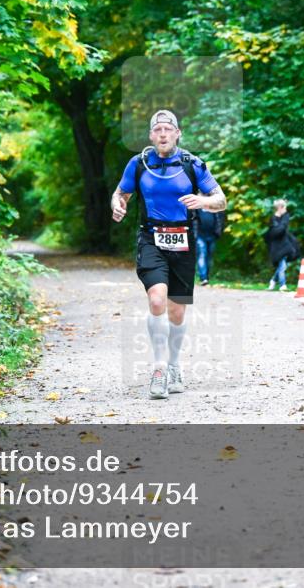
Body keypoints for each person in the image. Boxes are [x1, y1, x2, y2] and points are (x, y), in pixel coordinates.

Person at [111, 110, 227, 400]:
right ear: (151, 135)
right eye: (158, 129)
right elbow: (120, 193)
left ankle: (174, 365)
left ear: (177, 134)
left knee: (177, 311)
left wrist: (202, 201)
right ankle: (159, 368)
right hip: (151, 239)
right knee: (156, 300)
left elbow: (221, 200)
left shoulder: (192, 164)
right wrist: (118, 204)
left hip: (183, 240)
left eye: (168, 129)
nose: (163, 134)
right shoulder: (139, 164)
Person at [263, 199, 294, 291]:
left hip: (284, 245)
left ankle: (273, 281)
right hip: (276, 247)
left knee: (282, 266)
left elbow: (283, 229)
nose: (285, 209)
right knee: (282, 266)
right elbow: (275, 232)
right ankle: (282, 284)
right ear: (280, 208)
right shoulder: (273, 219)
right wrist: (276, 220)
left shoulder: (285, 217)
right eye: (284, 207)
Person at [195, 208, 225, 285]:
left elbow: (220, 219)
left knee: (209, 257)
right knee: (202, 254)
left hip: (212, 235)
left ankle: (206, 277)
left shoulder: (214, 205)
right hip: (200, 235)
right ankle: (203, 278)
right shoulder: (197, 206)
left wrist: (218, 232)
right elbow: (193, 219)